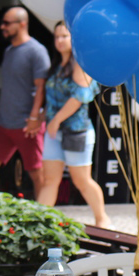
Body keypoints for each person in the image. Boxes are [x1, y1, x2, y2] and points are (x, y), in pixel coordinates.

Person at [34, 21, 110, 229]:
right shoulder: (56, 65)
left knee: (81, 180)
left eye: (64, 36)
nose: (59, 41)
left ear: (74, 39)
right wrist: (41, 118)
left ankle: (102, 218)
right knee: (50, 179)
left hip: (76, 131)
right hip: (54, 131)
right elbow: (52, 100)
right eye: (57, 36)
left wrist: (56, 120)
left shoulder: (82, 64)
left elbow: (79, 97)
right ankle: (39, 224)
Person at [0, 6, 49, 194]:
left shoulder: (37, 51)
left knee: (36, 172)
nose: (2, 27)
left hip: (27, 124)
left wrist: (35, 117)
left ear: (22, 24)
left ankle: (44, 209)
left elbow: (42, 86)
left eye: (7, 23)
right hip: (4, 123)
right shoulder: (9, 51)